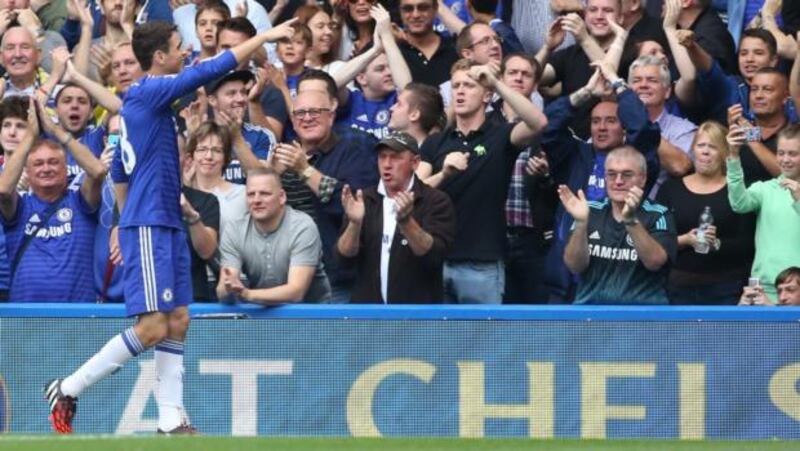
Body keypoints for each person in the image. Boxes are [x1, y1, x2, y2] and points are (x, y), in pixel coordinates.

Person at [43, 18, 297, 435]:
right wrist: (265, 37)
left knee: (178, 318)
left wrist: (124, 221)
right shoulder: (148, 91)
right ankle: (68, 387)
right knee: (153, 326)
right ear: (159, 57)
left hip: (162, 221)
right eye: (180, 46)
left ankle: (171, 419)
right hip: (151, 224)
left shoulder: (139, 104)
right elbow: (206, 71)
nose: (186, 52)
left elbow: (121, 173)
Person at [418, 59, 547, 303]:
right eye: (456, 86)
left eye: (469, 85)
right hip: (437, 259)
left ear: (487, 95)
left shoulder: (501, 135)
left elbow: (538, 123)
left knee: (484, 341)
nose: (460, 92)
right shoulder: (436, 142)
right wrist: (444, 174)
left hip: (483, 263)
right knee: (435, 341)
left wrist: (497, 83)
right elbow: (413, 192)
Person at [272, 78, 378, 301]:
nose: (307, 118)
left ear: (331, 114)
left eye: (315, 111)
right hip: (287, 275)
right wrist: (272, 176)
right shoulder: (284, 155)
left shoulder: (355, 147)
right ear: (292, 120)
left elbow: (356, 206)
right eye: (300, 113)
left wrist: (305, 170)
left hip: (336, 278)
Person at [0, 99, 106, 302]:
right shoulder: (20, 208)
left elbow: (98, 171)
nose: (46, 168)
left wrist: (55, 131)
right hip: (25, 318)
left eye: (54, 162)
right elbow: (4, 190)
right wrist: (30, 137)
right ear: (27, 173)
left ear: (67, 170)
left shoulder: (81, 203)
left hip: (78, 317)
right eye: (38, 164)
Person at [336, 131, 456, 303]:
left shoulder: (435, 201)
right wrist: (354, 224)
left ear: (415, 163)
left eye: (395, 157)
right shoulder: (364, 200)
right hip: (369, 317)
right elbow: (344, 258)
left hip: (416, 317)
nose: (386, 164)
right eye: (382, 157)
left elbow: (433, 256)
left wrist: (406, 222)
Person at [560, 146, 677, 304]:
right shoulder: (590, 211)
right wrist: (581, 224)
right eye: (612, 174)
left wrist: (630, 220)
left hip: (643, 317)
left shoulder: (659, 214)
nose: (618, 181)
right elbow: (574, 266)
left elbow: (655, 262)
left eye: (627, 175)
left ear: (643, 178)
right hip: (590, 314)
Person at [657, 121, 756, 305]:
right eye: (701, 145)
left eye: (713, 147)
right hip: (678, 287)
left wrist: (717, 244)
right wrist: (685, 240)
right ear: (693, 149)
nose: (705, 151)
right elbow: (656, 239)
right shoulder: (670, 189)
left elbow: (748, 243)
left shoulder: (738, 189)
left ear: (725, 153)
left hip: (727, 288)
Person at [217, 168, 331, 303]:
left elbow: (296, 292)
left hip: (311, 316)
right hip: (263, 313)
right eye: (251, 194)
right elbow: (223, 289)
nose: (256, 200)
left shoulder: (302, 226)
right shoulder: (234, 229)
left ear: (282, 197)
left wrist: (247, 294)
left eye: (264, 194)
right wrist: (228, 288)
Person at [727, 123, 800, 303]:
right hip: (765, 287)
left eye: (793, 154)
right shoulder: (766, 189)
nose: (785, 159)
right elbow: (739, 204)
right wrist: (733, 157)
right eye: (781, 153)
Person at [332, 4, 412, 139]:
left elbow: (408, 89)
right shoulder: (352, 100)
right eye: (380, 69)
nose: (389, 73)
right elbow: (331, 84)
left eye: (389, 68)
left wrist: (386, 36)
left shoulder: (396, 101)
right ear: (361, 78)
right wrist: (374, 50)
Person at [628, 55, 695, 198]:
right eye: (636, 80)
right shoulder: (614, 124)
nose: (643, 85)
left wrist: (640, 124)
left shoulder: (684, 130)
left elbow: (680, 167)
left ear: (667, 91)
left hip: (660, 215)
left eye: (652, 80)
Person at [397, 0, 459, 87]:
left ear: (435, 9)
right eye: (408, 9)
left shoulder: (454, 48)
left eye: (423, 8)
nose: (416, 15)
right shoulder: (394, 52)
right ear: (400, 12)